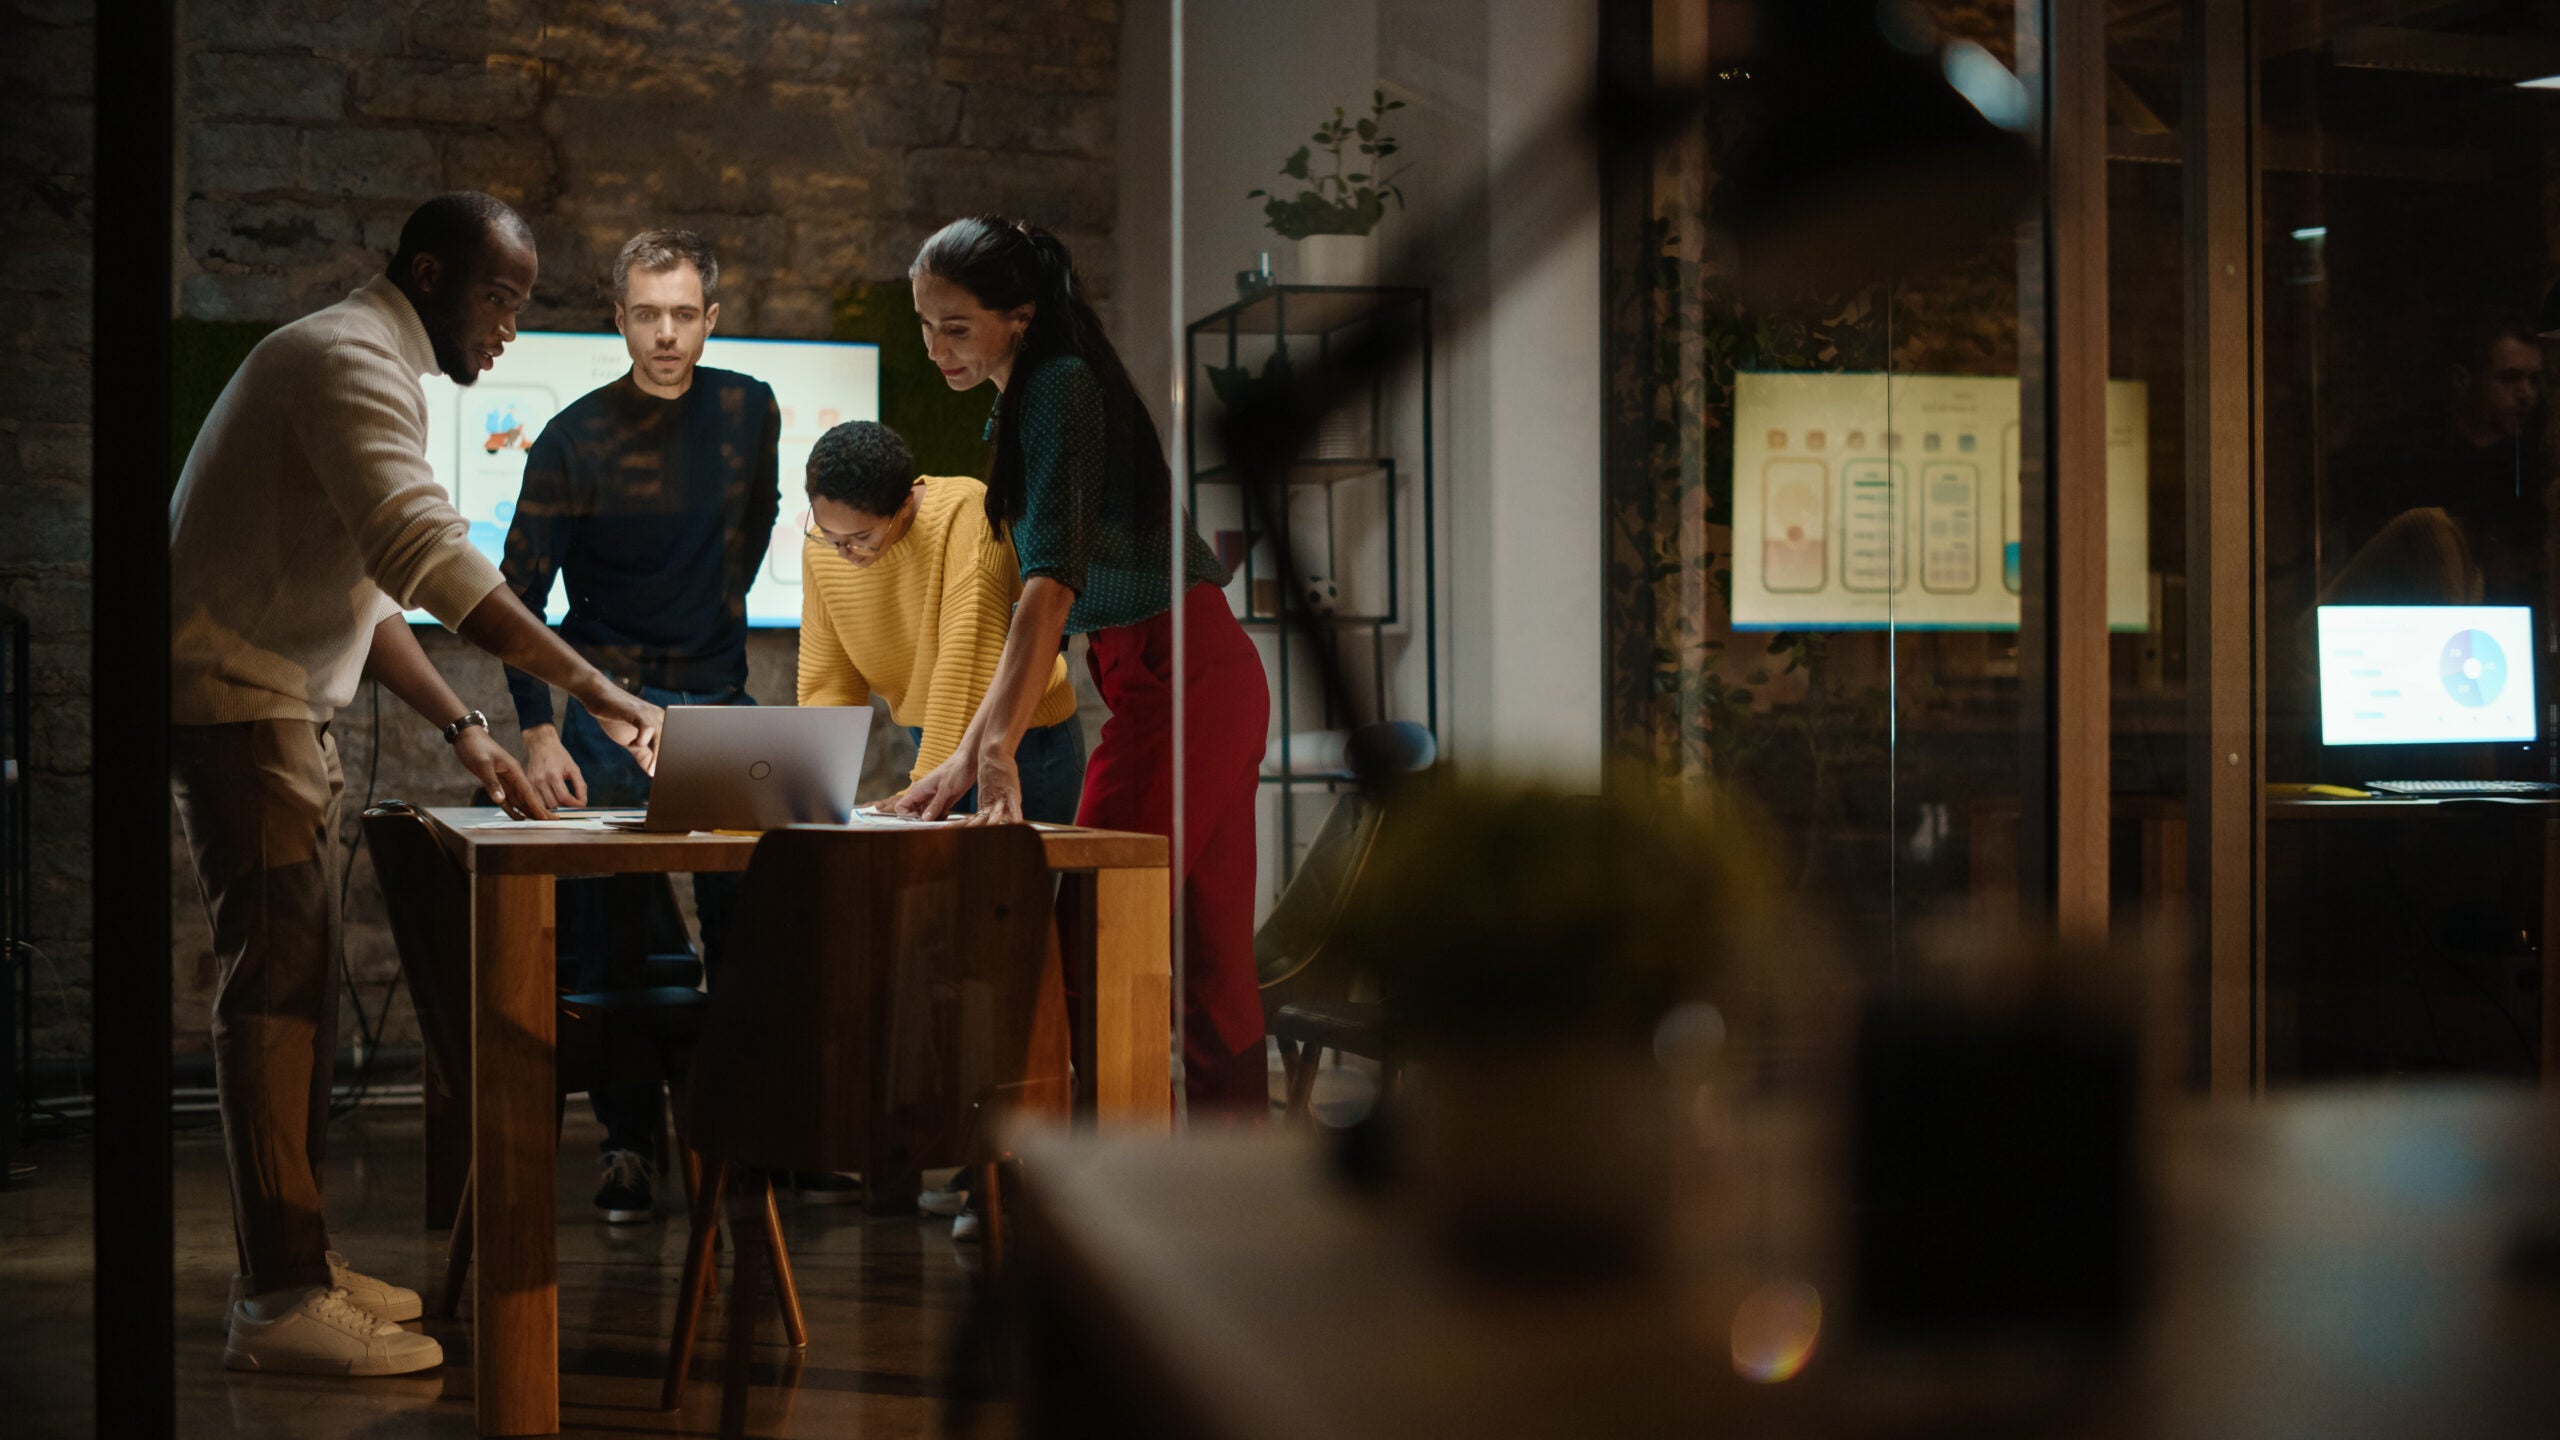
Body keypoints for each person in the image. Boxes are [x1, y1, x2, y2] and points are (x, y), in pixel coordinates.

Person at [170, 191, 664, 1377]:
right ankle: (277, 1299)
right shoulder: (347, 356)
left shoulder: (366, 359)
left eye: (521, 306)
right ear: (430, 274)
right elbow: (426, 556)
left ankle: (297, 1261)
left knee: (297, 989)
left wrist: (466, 731)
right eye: (498, 298)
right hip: (243, 707)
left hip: (272, 702)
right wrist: (596, 691)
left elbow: (367, 594)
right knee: (275, 997)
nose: (507, 328)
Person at [889, 216, 1273, 1117]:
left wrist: (993, 755)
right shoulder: (1036, 389)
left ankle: (1102, 1182)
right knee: (1207, 957)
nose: (937, 346)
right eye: (925, 324)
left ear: (1018, 315)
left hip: (1180, 678)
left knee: (1093, 942)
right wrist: (964, 754)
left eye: (956, 326)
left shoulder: (1057, 388)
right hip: (1188, 668)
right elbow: (1049, 607)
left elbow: (1049, 590)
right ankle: (1237, 1179)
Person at [499, 229, 781, 1222]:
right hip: (601, 717)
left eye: (683, 313)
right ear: (619, 319)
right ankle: (628, 1147)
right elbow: (517, 596)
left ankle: (742, 1136)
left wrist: (704, 639)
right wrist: (538, 729)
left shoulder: (751, 408)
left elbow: (757, 520)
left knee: (750, 932)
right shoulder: (572, 437)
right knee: (609, 940)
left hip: (719, 702)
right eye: (645, 313)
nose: (665, 333)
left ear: (711, 316)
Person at [798, 419, 1087, 825]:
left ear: (903, 506)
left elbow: (965, 660)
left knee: (1006, 887)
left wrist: (916, 791)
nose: (843, 552)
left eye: (861, 537)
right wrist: (811, 791)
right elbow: (829, 681)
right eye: (829, 535)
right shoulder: (823, 551)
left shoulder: (964, 512)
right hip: (932, 736)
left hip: (1021, 741)